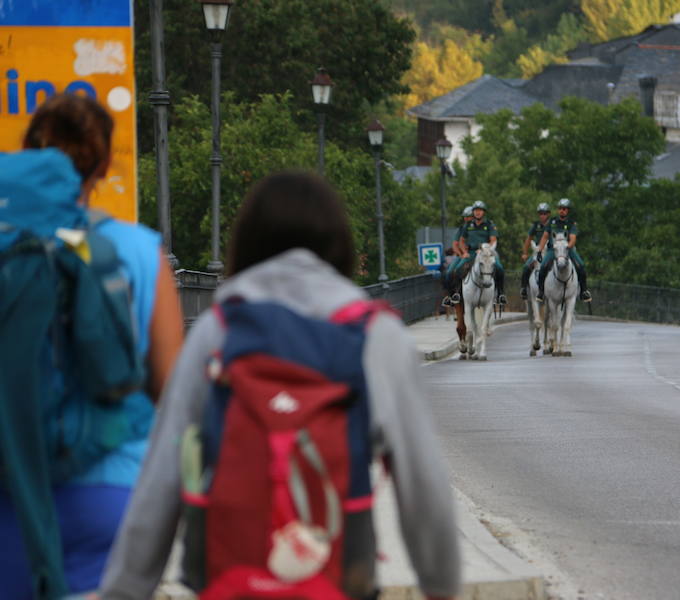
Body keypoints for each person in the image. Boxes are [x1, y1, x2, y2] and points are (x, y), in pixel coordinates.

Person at [99, 171, 461, 600]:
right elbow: (423, 484)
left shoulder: (218, 331)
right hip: (340, 577)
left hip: (229, 580)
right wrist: (441, 587)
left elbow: (162, 475)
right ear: (339, 245)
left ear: (248, 243)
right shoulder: (378, 337)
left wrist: (123, 590)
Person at [0, 94, 184, 597]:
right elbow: (173, 390)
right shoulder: (138, 249)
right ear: (103, 164)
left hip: (11, 488)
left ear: (29, 152)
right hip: (110, 493)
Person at [449, 200, 506, 305]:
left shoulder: (489, 224)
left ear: (484, 212)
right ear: (473, 212)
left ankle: (500, 294)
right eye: (475, 210)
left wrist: (485, 248)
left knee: (500, 268)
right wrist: (464, 252)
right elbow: (461, 241)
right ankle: (456, 294)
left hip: (486, 253)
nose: (477, 212)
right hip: (471, 253)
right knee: (457, 269)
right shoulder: (468, 225)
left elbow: (493, 240)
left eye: (480, 210)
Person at [536, 198, 592, 302]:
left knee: (581, 266)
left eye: (564, 209)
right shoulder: (552, 222)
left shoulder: (571, 223)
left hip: (567, 250)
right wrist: (539, 250)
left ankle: (584, 291)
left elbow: (573, 239)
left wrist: (567, 247)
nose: (562, 210)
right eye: (560, 208)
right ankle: (541, 291)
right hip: (553, 250)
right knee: (543, 266)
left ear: (568, 210)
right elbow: (545, 236)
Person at [441, 206, 473, 307]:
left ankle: (497, 293)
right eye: (465, 217)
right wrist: (461, 254)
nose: (466, 219)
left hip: (478, 254)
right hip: (463, 255)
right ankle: (452, 295)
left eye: (468, 217)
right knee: (449, 272)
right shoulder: (461, 229)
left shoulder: (481, 228)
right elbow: (455, 244)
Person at [520, 202, 551, 299]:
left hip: (550, 251)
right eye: (540, 213)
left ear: (548, 214)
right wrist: (525, 253)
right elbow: (528, 239)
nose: (542, 216)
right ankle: (524, 289)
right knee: (526, 267)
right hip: (537, 250)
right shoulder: (536, 225)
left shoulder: (553, 224)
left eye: (544, 213)